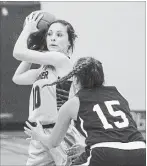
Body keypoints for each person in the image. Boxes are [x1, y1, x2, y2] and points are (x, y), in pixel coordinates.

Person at [24, 56, 146, 166]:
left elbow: (53, 143)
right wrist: (87, 148)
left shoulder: (72, 103)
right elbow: (119, 133)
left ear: (76, 80)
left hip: (104, 153)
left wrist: (38, 135)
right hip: (140, 151)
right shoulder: (118, 95)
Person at [12, 11, 85, 166]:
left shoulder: (62, 60)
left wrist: (28, 29)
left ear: (69, 44)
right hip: (38, 134)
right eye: (50, 34)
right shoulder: (42, 69)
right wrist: (34, 49)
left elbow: (18, 53)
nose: (53, 38)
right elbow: (17, 78)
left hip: (61, 133)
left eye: (59, 35)